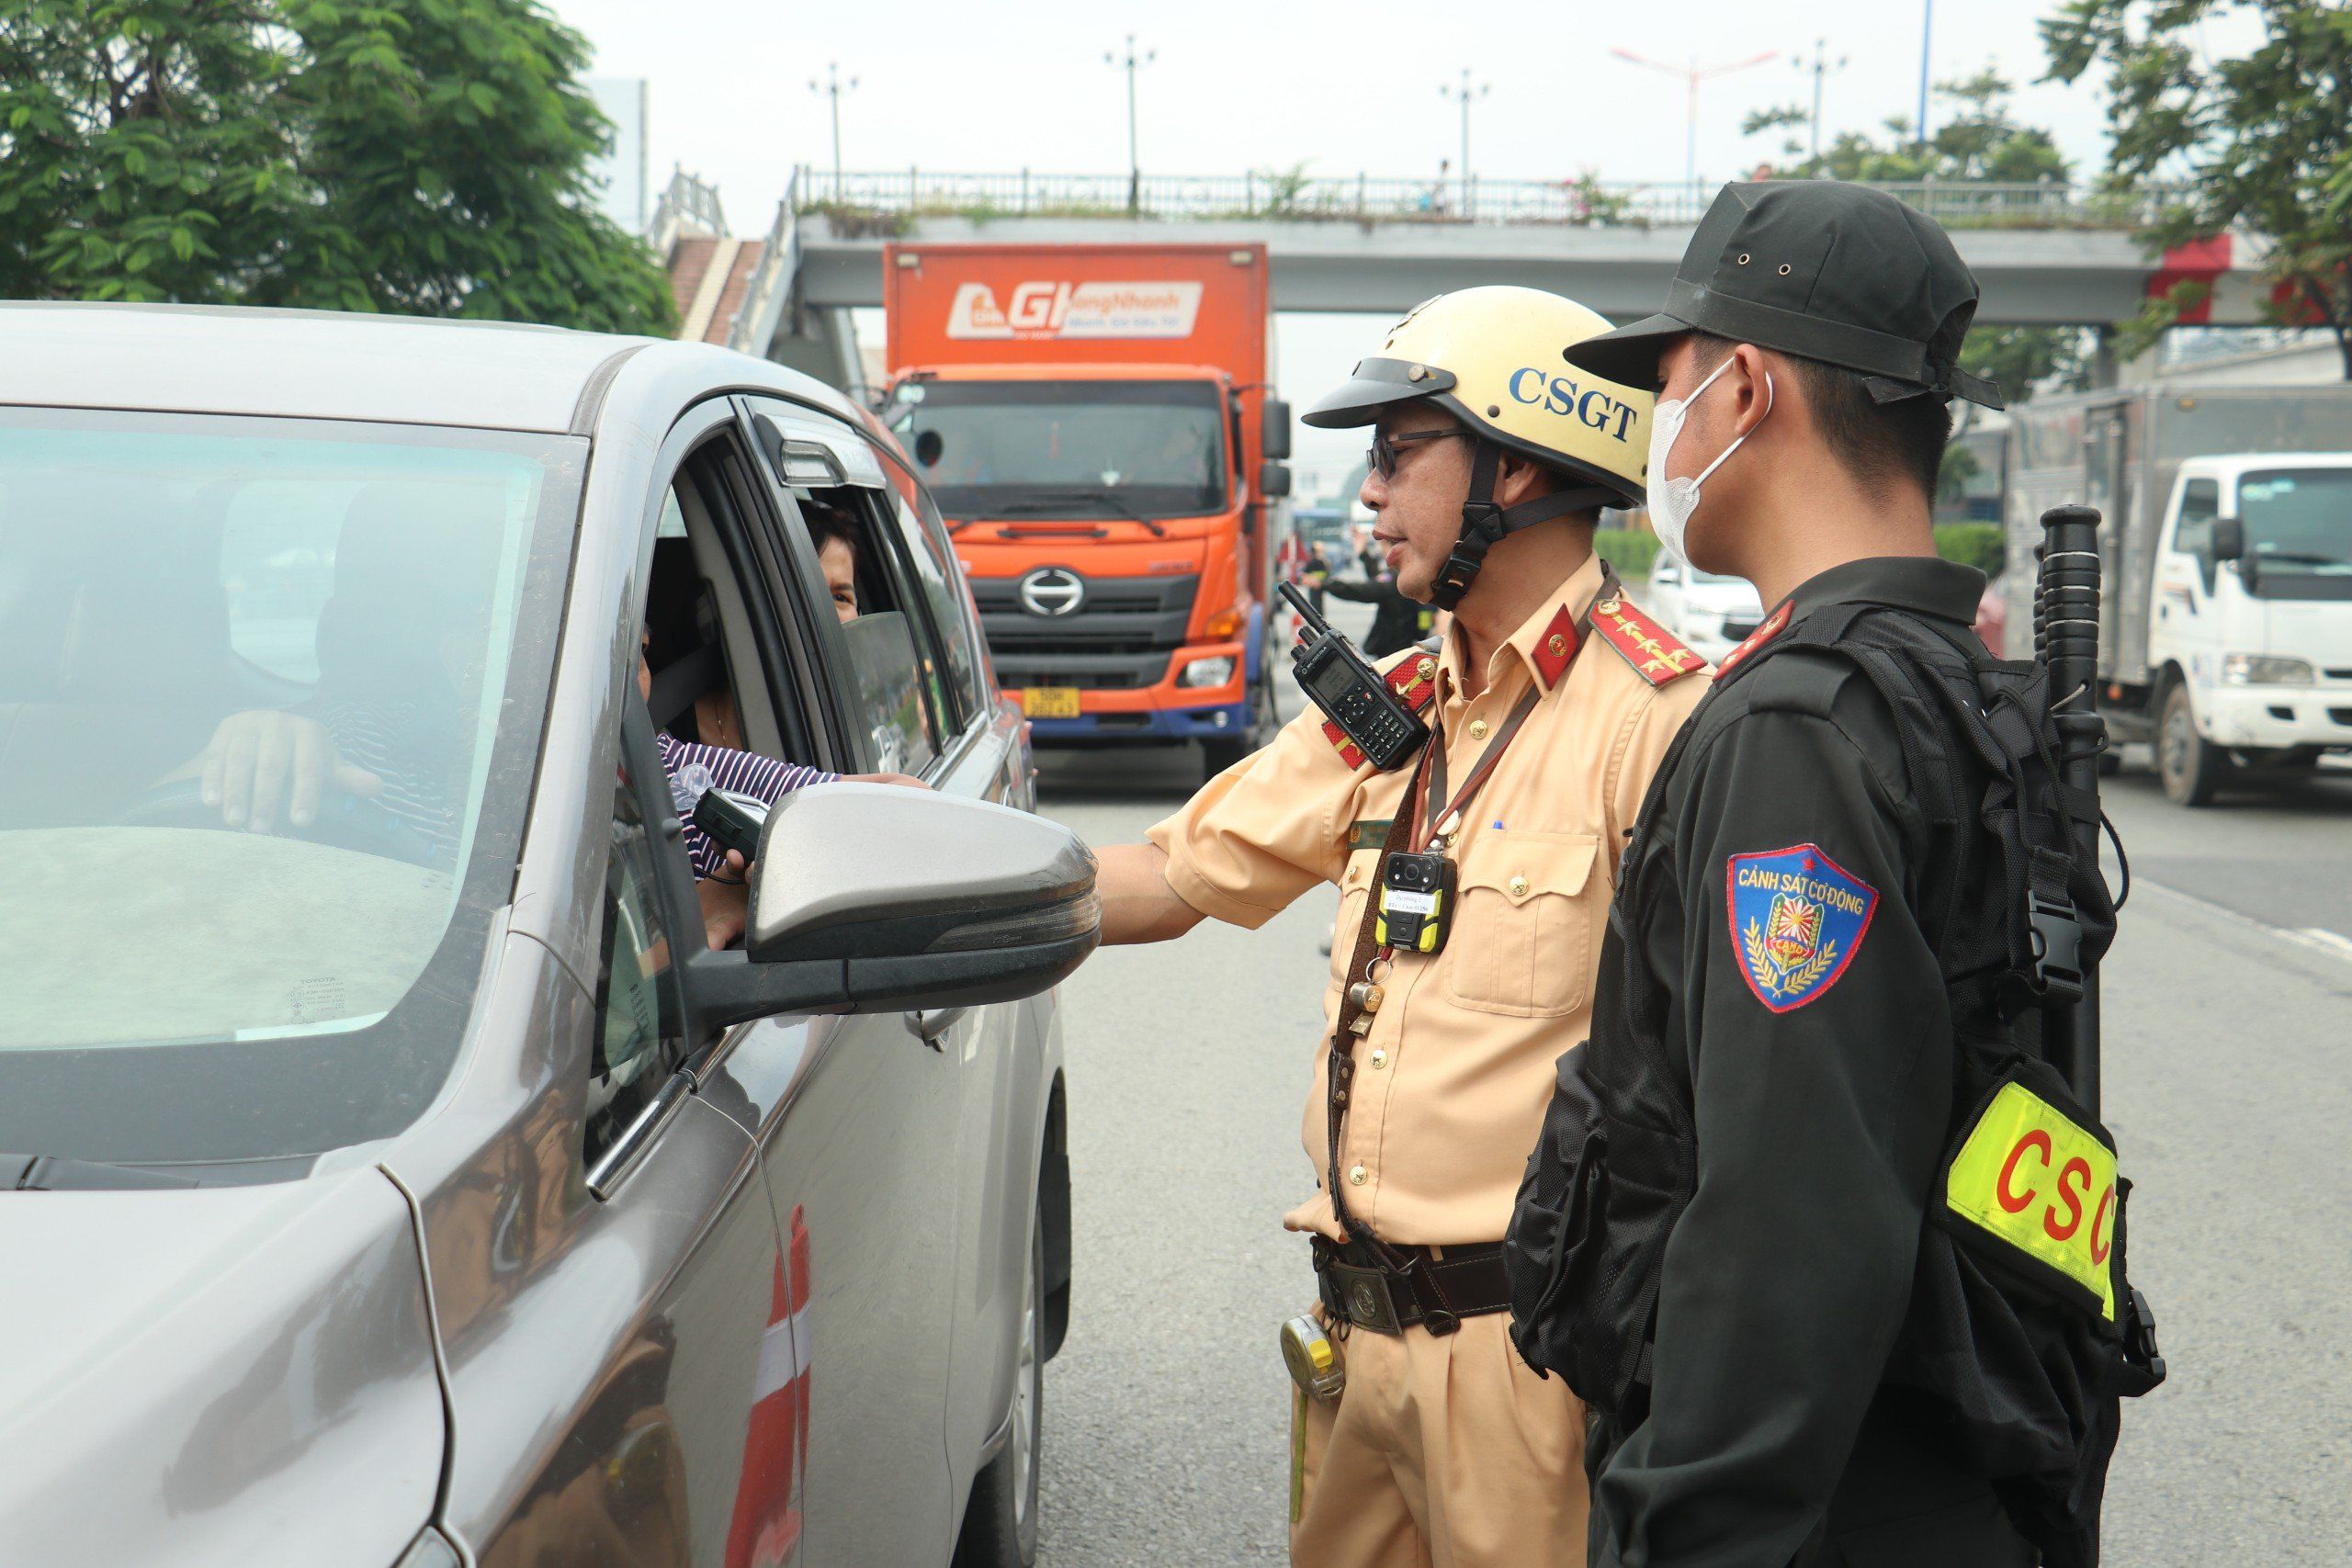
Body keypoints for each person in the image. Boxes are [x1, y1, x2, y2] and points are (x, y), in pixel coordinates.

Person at [1505, 181, 2154, 1568]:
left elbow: (1790, 1210)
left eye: (1668, 379)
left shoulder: (1802, 724)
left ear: (1745, 390)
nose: (1657, 427)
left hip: (1828, 1504)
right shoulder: (1959, 688)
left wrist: (1682, 1532)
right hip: (1955, 1442)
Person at [1091, 287, 1707, 1568]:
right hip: (1360, 1341)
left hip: (1527, 1362)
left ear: (1519, 464)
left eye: (1396, 453)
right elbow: (1164, 877)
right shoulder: (1400, 710)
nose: (1367, 494)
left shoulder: (1658, 721)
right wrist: (916, 858)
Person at [1320, 545, 1437, 659]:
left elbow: (1369, 590)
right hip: (1406, 642)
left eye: (1381, 544)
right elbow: (1378, 582)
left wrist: (1324, 584)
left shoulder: (1395, 577)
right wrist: (1423, 634)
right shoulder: (1411, 574)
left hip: (1393, 645)